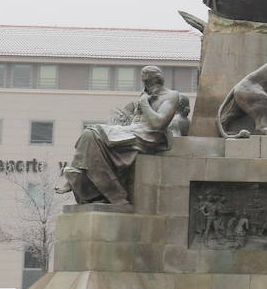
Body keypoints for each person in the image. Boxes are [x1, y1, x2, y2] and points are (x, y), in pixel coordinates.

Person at [56, 66, 179, 205]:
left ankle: (82, 181)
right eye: (144, 83)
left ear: (158, 80)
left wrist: (144, 103)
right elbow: (136, 120)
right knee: (89, 133)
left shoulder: (171, 96)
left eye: (149, 83)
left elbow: (158, 124)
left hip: (150, 136)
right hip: (134, 131)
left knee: (94, 134)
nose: (146, 86)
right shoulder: (146, 95)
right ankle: (82, 179)